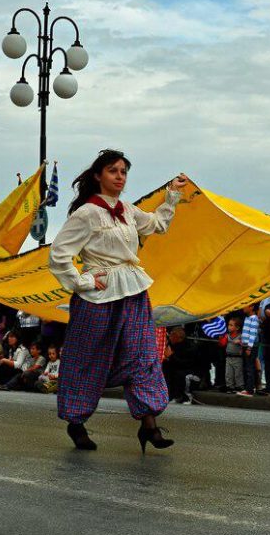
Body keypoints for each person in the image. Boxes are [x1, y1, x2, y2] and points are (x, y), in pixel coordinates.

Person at [47, 149, 187, 452]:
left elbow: (157, 225)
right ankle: (76, 423)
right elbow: (58, 256)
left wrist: (172, 196)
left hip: (134, 291)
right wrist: (82, 281)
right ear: (98, 175)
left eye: (124, 171)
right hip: (98, 297)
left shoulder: (126, 209)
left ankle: (149, 425)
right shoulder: (86, 213)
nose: (120, 176)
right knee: (87, 359)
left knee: (143, 356)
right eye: (113, 171)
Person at [238, 304, 260, 396]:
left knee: (250, 368)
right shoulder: (247, 318)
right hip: (245, 346)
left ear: (251, 307)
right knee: (246, 367)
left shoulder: (254, 318)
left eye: (246, 305)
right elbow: (245, 333)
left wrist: (249, 347)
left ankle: (250, 390)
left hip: (250, 346)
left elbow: (253, 334)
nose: (244, 307)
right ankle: (249, 387)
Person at [223, 317, 244, 393]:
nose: (229, 327)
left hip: (237, 358)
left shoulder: (240, 336)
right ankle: (230, 387)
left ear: (237, 327)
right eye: (228, 325)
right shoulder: (227, 335)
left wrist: (240, 342)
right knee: (228, 373)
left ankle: (239, 386)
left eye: (231, 325)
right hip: (228, 357)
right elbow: (222, 344)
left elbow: (244, 344)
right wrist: (222, 338)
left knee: (238, 373)